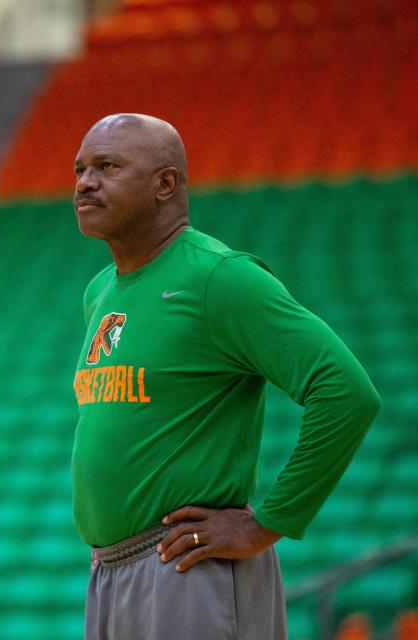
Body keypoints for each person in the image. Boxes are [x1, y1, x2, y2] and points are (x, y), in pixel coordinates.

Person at [71, 114, 381, 639]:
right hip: (109, 572)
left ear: (165, 184)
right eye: (79, 169)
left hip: (187, 567)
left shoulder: (220, 278)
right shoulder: (100, 291)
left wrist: (267, 524)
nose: (84, 182)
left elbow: (345, 391)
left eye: (107, 166)